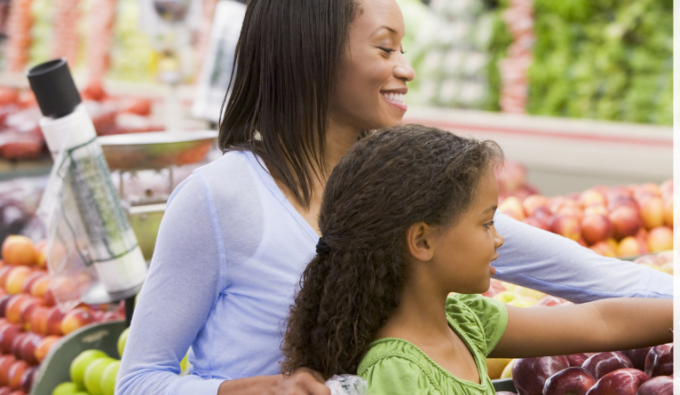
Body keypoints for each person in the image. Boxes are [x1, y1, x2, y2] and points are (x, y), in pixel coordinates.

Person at [116, 0, 672, 394]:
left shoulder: (403, 188)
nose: (406, 68)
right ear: (312, 54)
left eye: (403, 48)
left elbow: (597, 285)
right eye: (385, 49)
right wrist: (240, 390)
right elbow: (139, 380)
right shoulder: (220, 198)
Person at [281, 125, 673, 394]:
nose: (499, 238)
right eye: (486, 223)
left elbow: (599, 322)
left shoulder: (467, 320)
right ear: (421, 240)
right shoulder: (396, 371)